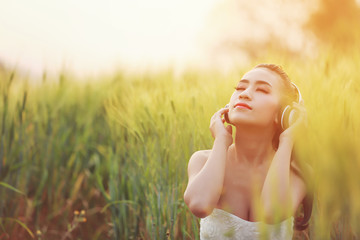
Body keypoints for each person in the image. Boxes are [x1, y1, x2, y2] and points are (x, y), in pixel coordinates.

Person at [183, 64, 313, 239]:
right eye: (240, 87)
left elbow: (270, 212)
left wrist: (287, 140)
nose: (244, 94)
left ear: (283, 114)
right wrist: (221, 141)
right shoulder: (202, 160)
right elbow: (200, 204)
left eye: (262, 90)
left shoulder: (299, 173)